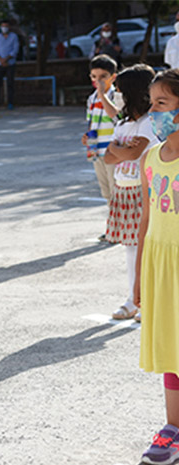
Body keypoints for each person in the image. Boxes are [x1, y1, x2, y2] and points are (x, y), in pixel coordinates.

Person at [133, 68, 179, 465]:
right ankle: (173, 428)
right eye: (152, 105)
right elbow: (146, 219)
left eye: (162, 104)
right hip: (159, 261)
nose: (154, 113)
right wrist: (137, 277)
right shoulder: (150, 157)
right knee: (170, 347)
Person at [101, 65, 158, 322]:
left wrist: (118, 148)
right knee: (131, 248)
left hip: (142, 191)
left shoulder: (148, 123)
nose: (116, 96)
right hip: (123, 190)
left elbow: (134, 154)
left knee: (146, 247)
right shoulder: (124, 123)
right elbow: (108, 157)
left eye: (120, 91)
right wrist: (118, 148)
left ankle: (147, 299)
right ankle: (133, 298)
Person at [83, 54, 123, 241]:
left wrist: (102, 95)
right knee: (106, 192)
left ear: (113, 77)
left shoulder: (117, 95)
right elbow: (92, 122)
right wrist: (87, 136)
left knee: (117, 191)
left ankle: (120, 228)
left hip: (113, 151)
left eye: (102, 77)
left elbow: (115, 116)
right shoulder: (91, 99)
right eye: (93, 77)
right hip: (96, 150)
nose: (97, 81)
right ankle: (112, 227)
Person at [0, 20, 20, 111]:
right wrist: (0, 60)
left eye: (6, 26)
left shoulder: (14, 37)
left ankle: (10, 103)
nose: (4, 28)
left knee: (10, 84)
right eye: (3, 26)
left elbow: (15, 50)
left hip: (10, 63)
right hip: (0, 64)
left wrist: (6, 59)